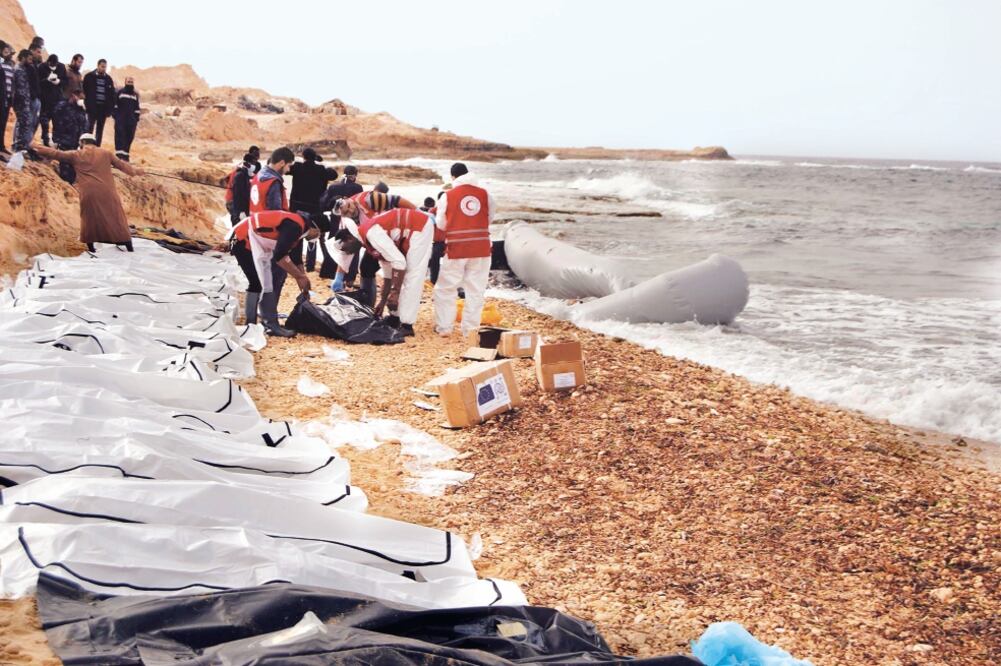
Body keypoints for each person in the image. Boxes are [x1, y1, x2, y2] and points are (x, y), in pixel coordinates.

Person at [32, 133, 145, 252]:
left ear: (82, 142)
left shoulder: (76, 155)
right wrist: (137, 171)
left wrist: (35, 146)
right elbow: (123, 166)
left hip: (89, 192)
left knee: (89, 219)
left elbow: (56, 154)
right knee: (116, 217)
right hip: (107, 191)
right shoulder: (106, 153)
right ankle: (127, 244)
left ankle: (91, 247)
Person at [333, 207, 434, 336]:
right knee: (401, 275)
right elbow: (388, 273)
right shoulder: (367, 242)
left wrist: (395, 292)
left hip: (419, 226)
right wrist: (383, 300)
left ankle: (407, 325)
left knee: (412, 275)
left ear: (349, 238)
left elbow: (399, 262)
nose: (348, 252)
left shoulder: (371, 234)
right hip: (408, 232)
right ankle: (394, 317)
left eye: (345, 249)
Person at [227, 210, 319, 337]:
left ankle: (267, 322)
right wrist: (299, 276)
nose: (318, 237)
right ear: (315, 227)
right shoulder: (295, 226)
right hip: (242, 240)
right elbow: (280, 255)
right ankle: (255, 325)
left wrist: (302, 278)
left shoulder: (300, 228)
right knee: (258, 282)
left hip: (253, 241)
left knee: (267, 281)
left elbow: (296, 257)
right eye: (319, 233)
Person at [432, 162, 495, 337]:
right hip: (481, 247)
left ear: (453, 177)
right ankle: (470, 330)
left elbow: (441, 224)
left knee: (446, 288)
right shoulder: (486, 194)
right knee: (476, 289)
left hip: (457, 247)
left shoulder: (447, 196)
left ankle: (445, 328)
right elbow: (489, 218)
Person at [331, 189, 417, 307]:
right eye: (346, 212)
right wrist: (339, 276)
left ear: (347, 198)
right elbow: (346, 250)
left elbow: (397, 200)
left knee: (401, 270)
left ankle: (399, 308)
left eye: (349, 206)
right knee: (367, 267)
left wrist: (418, 213)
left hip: (397, 234)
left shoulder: (368, 199)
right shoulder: (346, 223)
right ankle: (368, 305)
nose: (351, 211)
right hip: (377, 241)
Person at [316, 164, 363, 281]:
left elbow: (324, 203)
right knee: (351, 246)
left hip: (335, 220)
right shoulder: (358, 188)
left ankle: (329, 273)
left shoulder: (333, 187)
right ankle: (350, 276)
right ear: (354, 176)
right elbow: (359, 206)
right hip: (351, 221)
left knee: (334, 244)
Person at [289, 147, 331, 271]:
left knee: (297, 235)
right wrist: (321, 164)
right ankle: (310, 265)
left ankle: (296, 262)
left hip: (297, 207)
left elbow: (286, 170)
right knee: (313, 236)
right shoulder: (321, 169)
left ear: (303, 156)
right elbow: (333, 175)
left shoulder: (298, 167)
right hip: (314, 208)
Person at [49, 87, 88, 183]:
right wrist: (56, 139)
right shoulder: (62, 106)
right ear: (73, 95)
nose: (81, 100)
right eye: (80, 98)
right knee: (65, 171)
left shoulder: (81, 109)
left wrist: (82, 142)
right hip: (64, 143)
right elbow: (56, 122)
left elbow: (84, 126)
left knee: (73, 172)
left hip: (75, 144)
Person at [82, 59, 115, 146]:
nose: (104, 69)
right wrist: (86, 104)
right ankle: (87, 146)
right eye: (102, 67)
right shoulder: (89, 77)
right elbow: (83, 91)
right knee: (89, 127)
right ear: (98, 66)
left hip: (103, 109)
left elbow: (112, 95)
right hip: (92, 108)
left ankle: (97, 147)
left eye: (105, 67)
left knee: (100, 130)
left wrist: (110, 109)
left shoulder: (108, 79)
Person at [11, 49, 37, 157]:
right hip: (20, 101)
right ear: (23, 58)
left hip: (25, 101)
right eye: (29, 59)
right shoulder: (18, 70)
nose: (31, 61)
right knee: (22, 123)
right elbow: (18, 89)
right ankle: (17, 147)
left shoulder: (24, 70)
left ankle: (21, 146)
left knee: (25, 123)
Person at [38, 53, 67, 147]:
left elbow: (65, 81)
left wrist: (59, 81)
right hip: (45, 100)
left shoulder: (61, 67)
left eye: (55, 64)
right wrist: (47, 80)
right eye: (51, 64)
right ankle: (45, 140)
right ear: (48, 62)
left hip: (57, 99)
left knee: (57, 122)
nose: (53, 66)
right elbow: (38, 82)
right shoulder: (42, 67)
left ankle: (56, 142)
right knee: (44, 123)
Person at [113, 76, 140, 161]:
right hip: (120, 120)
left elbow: (137, 108)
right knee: (120, 137)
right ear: (125, 82)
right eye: (128, 82)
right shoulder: (120, 93)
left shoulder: (135, 95)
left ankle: (125, 157)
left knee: (129, 138)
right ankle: (119, 157)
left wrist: (136, 119)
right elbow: (115, 106)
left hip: (131, 121)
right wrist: (116, 117)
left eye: (131, 82)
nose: (130, 83)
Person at [423, 194, 447, 284]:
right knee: (434, 258)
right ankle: (434, 280)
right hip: (439, 242)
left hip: (447, 241)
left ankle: (435, 279)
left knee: (435, 259)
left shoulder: (434, 211)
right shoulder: (433, 211)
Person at [225, 153, 255, 224]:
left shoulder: (243, 173)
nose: (254, 166)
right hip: (233, 202)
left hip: (235, 201)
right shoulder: (240, 175)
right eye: (253, 163)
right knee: (237, 222)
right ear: (247, 164)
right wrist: (240, 211)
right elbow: (238, 195)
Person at [0, 42, 14, 154]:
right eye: (6, 51)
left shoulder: (10, 66)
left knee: (2, 123)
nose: (9, 54)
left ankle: (1, 146)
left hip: (6, 98)